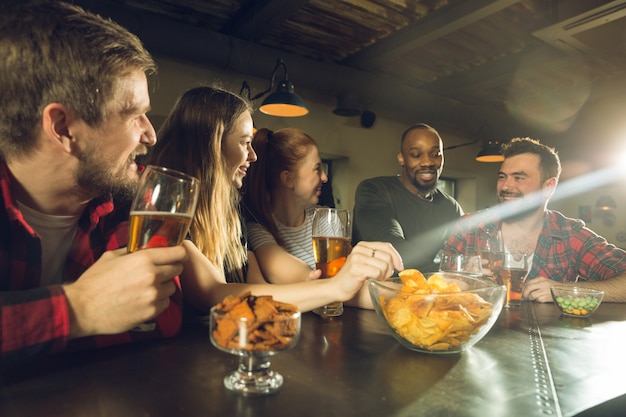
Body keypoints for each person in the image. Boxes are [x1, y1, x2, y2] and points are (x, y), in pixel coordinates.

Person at [0, 1, 188, 363]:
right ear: (63, 128)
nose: (151, 135)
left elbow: (161, 319)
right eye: (135, 116)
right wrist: (79, 309)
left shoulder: (118, 198)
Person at [143, 86, 404, 314]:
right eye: (245, 142)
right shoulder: (167, 210)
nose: (253, 156)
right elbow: (213, 294)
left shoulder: (232, 217)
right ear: (211, 145)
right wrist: (335, 287)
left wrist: (413, 297)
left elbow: (261, 291)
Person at [443, 137, 626, 302]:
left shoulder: (570, 235)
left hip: (547, 338)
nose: (506, 186)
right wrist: (461, 281)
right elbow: (437, 286)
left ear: (549, 186)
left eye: (519, 178)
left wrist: (567, 290)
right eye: (502, 177)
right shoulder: (468, 227)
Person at [352, 123, 464, 272]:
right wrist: (449, 273)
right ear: (401, 158)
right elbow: (392, 245)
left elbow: (464, 251)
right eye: (416, 155)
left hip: (422, 291)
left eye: (435, 154)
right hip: (374, 291)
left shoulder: (450, 207)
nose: (427, 162)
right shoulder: (374, 190)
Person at [242, 127, 326, 284]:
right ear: (288, 179)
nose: (324, 177)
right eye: (317, 169)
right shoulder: (259, 229)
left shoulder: (326, 219)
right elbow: (307, 279)